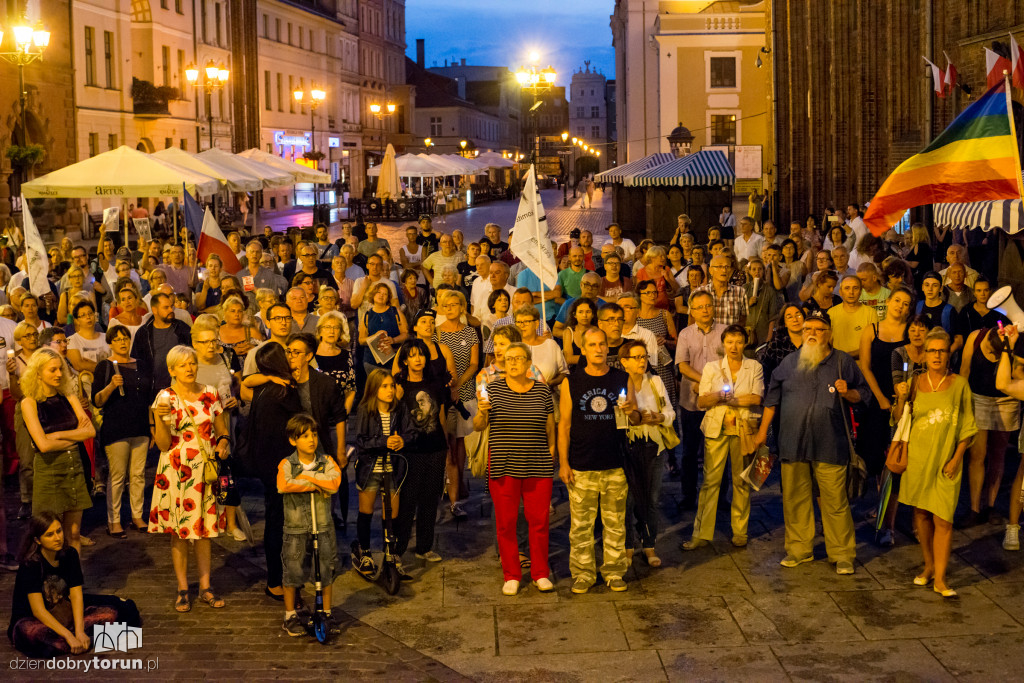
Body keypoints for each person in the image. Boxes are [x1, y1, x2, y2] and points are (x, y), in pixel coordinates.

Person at [751, 310, 869, 574]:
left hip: (831, 444)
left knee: (835, 501)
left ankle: (842, 555)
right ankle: (799, 550)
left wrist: (847, 392)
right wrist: (762, 433)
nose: (812, 334)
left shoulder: (842, 362)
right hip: (793, 443)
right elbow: (772, 399)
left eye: (818, 329)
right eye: (807, 329)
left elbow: (864, 393)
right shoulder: (789, 363)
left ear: (829, 334)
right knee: (794, 499)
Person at [149, 345, 231, 612]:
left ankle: (205, 586)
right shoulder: (164, 398)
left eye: (192, 363)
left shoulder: (210, 393)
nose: (189, 368)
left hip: (204, 469)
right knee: (180, 531)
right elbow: (162, 444)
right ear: (171, 370)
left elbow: (221, 429)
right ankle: (183, 588)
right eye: (182, 365)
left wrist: (223, 442)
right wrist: (160, 420)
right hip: (176, 468)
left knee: (205, 531)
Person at [895, 329, 976, 598]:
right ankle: (928, 566)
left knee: (944, 519)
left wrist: (956, 458)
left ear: (948, 354)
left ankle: (941, 578)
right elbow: (898, 420)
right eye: (932, 351)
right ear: (925, 355)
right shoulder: (915, 382)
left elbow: (967, 427)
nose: (937, 355)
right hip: (918, 460)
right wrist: (900, 397)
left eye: (942, 350)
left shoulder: (960, 384)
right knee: (921, 515)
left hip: (946, 461)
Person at [558, 327, 639, 594]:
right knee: (581, 525)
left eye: (602, 344)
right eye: (591, 345)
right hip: (582, 463)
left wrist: (632, 412)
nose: (598, 349)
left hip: (615, 462)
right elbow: (565, 425)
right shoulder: (572, 381)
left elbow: (635, 418)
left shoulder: (622, 378)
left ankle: (614, 571)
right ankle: (583, 573)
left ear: (608, 348)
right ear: (583, 349)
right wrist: (564, 463)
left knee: (615, 522)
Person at [474, 341, 556, 595]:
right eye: (509, 359)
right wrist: (481, 412)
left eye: (518, 358)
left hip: (537, 464)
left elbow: (550, 428)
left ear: (529, 363)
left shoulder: (542, 392)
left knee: (539, 521)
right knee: (506, 523)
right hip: (504, 464)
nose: (513, 362)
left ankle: (540, 573)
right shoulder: (493, 390)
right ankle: (511, 574)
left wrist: (551, 456)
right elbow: (478, 426)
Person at [8, 512, 141, 658]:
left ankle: (79, 638)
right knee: (33, 636)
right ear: (37, 540)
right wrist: (69, 636)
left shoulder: (70, 554)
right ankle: (78, 640)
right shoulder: (31, 563)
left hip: (65, 612)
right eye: (50, 535)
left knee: (122, 612)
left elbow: (76, 595)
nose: (57, 538)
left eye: (59, 531)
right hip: (35, 619)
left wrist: (79, 631)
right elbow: (38, 610)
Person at [684, 326, 763, 550]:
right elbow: (702, 401)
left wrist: (731, 400)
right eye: (729, 342)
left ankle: (740, 531)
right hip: (717, 429)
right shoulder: (712, 368)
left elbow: (756, 397)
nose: (734, 347)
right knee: (710, 482)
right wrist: (719, 395)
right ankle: (701, 533)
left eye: (738, 342)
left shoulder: (754, 366)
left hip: (743, 429)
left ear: (745, 343)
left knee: (741, 481)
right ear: (723, 344)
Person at [243, 343, 303, 601]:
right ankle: (276, 580)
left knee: (278, 521)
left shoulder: (263, 388)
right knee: (280, 524)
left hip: (268, 465)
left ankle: (280, 577)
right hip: (281, 466)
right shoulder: (282, 392)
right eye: (287, 354)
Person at [20, 348, 95, 553]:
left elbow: (89, 431)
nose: (59, 374)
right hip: (49, 470)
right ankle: (50, 581)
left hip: (74, 467)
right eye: (52, 370)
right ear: (38, 372)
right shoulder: (29, 403)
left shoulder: (68, 395)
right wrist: (73, 436)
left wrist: (58, 435)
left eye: (60, 369)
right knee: (48, 534)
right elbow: (42, 446)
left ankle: (74, 582)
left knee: (73, 533)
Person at [277, 413, 342, 636]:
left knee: (325, 569)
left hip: (322, 525)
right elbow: (285, 484)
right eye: (304, 436)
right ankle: (290, 615)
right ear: (293, 440)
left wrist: (309, 479)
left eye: (313, 434)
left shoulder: (327, 462)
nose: (311, 439)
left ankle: (326, 611)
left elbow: (333, 483)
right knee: (292, 570)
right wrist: (316, 483)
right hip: (295, 528)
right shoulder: (287, 464)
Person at [618, 339, 676, 566]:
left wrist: (659, 417)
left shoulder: (656, 381)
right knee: (628, 499)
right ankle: (628, 546)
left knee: (651, 498)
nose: (642, 361)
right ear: (625, 362)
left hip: (654, 445)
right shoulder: (619, 384)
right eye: (636, 357)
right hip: (629, 447)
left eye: (644, 357)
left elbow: (670, 412)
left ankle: (649, 545)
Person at [352, 369, 412, 578]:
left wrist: (402, 440)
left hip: (393, 468)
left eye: (391, 386)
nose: (389, 391)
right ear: (374, 389)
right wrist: (383, 442)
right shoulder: (365, 410)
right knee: (366, 511)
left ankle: (391, 553)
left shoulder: (399, 409)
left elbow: (411, 432)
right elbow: (360, 440)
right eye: (384, 387)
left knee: (392, 514)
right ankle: (365, 551)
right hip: (370, 468)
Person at [393, 340, 449, 564]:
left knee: (430, 498)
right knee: (407, 499)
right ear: (405, 360)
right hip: (410, 450)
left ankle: (424, 546)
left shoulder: (434, 383)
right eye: (413, 356)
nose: (418, 359)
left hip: (435, 447)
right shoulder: (398, 385)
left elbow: (441, 415)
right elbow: (392, 416)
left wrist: (446, 444)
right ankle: (398, 548)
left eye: (421, 355)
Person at [92, 326, 149, 539]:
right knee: (118, 476)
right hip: (117, 428)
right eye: (117, 339)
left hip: (140, 426)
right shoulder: (105, 367)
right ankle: (114, 520)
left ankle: (137, 515)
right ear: (111, 343)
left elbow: (148, 397)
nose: (123, 342)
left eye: (125, 338)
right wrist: (110, 387)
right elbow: (96, 401)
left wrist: (151, 426)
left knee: (138, 475)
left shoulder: (141, 365)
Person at [959, 326, 1019, 527]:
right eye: (992, 353)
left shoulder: (1013, 344)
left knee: (998, 455)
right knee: (977, 455)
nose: (993, 357)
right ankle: (975, 508)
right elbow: (964, 371)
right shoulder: (976, 337)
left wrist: (1008, 351)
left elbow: (1018, 374)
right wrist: (962, 404)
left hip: (1006, 401)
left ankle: (990, 505)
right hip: (979, 399)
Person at [675, 290, 728, 509]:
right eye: (699, 307)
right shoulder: (686, 334)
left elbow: (731, 361)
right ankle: (688, 495)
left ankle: (720, 496)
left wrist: (712, 384)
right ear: (692, 311)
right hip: (691, 399)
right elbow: (682, 365)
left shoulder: (725, 331)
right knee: (689, 450)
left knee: (718, 449)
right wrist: (705, 380)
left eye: (708, 305)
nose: (705, 310)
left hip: (719, 399)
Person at [857, 286, 912, 478]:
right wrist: (880, 397)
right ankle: (879, 500)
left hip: (904, 394)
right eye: (897, 300)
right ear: (888, 302)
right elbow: (865, 367)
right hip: (876, 393)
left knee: (900, 448)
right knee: (876, 449)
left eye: (905, 304)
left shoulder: (910, 332)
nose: (900, 306)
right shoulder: (872, 330)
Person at [436, 289, 478, 520]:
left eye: (455, 304)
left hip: (466, 390)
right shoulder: (437, 334)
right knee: (448, 442)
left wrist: (459, 385)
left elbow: (474, 363)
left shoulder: (471, 333)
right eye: (447, 305)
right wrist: (449, 387)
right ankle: (449, 483)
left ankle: (459, 480)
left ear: (462, 307)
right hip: (444, 393)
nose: (451, 308)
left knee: (461, 440)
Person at [131, 292, 192, 399]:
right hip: (152, 391)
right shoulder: (143, 333)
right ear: (154, 310)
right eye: (166, 307)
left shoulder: (182, 329)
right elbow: (136, 362)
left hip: (180, 388)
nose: (171, 310)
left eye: (171, 306)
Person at [358, 281, 409, 374]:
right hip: (371, 361)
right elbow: (361, 340)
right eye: (379, 292)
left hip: (393, 359)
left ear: (388, 298)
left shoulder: (395, 311)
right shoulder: (367, 315)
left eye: (385, 294)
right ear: (373, 294)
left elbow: (405, 334)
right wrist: (374, 337)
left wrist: (393, 340)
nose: (381, 295)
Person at [562, 297, 596, 367]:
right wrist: (593, 358)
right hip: (574, 372)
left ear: (593, 314)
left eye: (588, 312)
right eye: (580, 312)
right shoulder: (569, 332)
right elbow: (568, 359)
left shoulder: (598, 331)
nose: (584, 315)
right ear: (575, 315)